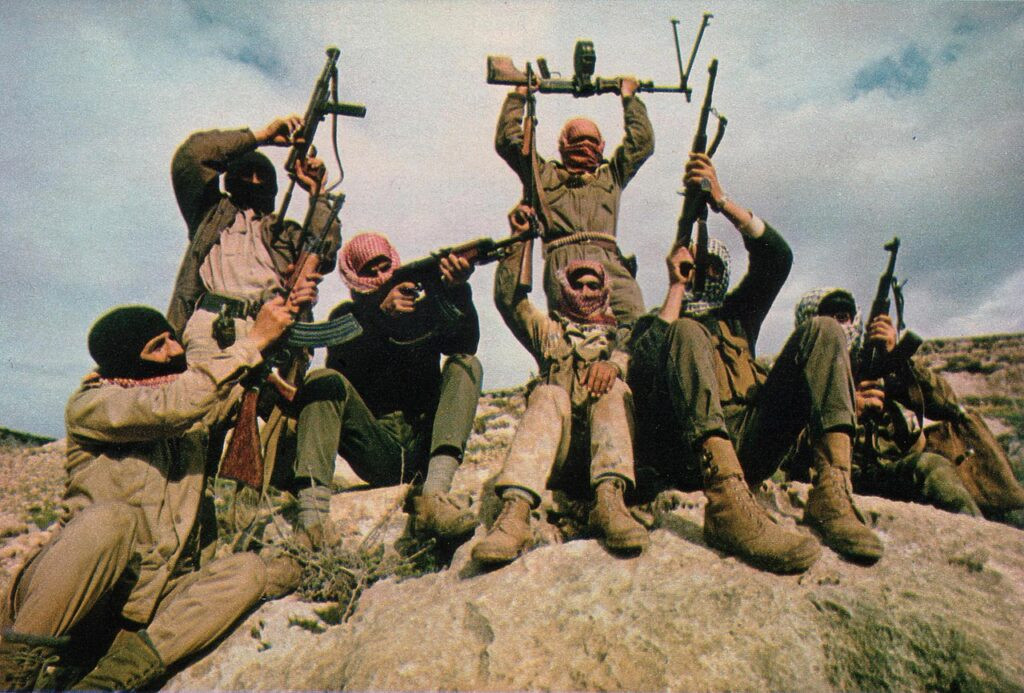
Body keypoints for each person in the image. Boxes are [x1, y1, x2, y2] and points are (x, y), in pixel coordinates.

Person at [0, 300, 299, 691]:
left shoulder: (190, 408)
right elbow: (172, 407)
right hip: (74, 604)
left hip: (144, 607)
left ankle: (106, 682)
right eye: (157, 346)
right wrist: (250, 343)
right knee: (113, 521)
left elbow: (217, 390)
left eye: (172, 339)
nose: (174, 351)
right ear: (126, 361)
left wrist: (282, 320)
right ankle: (13, 671)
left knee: (249, 572)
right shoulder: (95, 405)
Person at [627, 153, 884, 574]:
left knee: (824, 329)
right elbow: (642, 369)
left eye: (713, 268)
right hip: (692, 458)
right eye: (696, 266)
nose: (703, 274)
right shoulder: (660, 322)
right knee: (687, 331)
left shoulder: (738, 317)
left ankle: (833, 490)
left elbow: (777, 259)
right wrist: (675, 289)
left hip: (751, 442)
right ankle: (727, 507)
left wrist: (721, 201)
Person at [471, 207, 648, 566]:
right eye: (577, 283)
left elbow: (649, 343)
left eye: (593, 284)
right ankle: (516, 513)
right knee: (548, 393)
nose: (585, 290)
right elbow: (510, 301)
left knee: (613, 390)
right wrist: (520, 241)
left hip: (610, 455)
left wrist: (613, 365)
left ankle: (610, 503)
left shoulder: (624, 337)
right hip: (559, 456)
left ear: (605, 289)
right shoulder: (549, 331)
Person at [291, 232, 484, 542]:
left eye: (385, 268)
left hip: (425, 443)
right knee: (320, 380)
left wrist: (457, 290)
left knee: (466, 364)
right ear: (354, 279)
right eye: (370, 272)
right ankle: (312, 523)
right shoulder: (347, 317)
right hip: (377, 451)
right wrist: (381, 316)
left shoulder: (423, 309)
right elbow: (343, 371)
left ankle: (435, 497)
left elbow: (464, 344)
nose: (381, 277)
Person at [785, 288, 982, 517]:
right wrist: (845, 412)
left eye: (842, 317)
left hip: (888, 472)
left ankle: (979, 532)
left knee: (932, 467)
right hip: (830, 481)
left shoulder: (875, 363)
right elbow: (783, 451)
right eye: (826, 320)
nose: (837, 327)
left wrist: (899, 357)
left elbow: (948, 406)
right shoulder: (796, 373)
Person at [495, 77, 654, 323]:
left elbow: (641, 143)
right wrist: (520, 95)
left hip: (609, 264)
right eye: (578, 141)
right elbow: (509, 141)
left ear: (602, 146)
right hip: (564, 266)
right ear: (563, 144)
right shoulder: (543, 176)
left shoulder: (611, 176)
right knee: (572, 335)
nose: (585, 146)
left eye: (592, 142)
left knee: (636, 326)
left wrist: (629, 99)